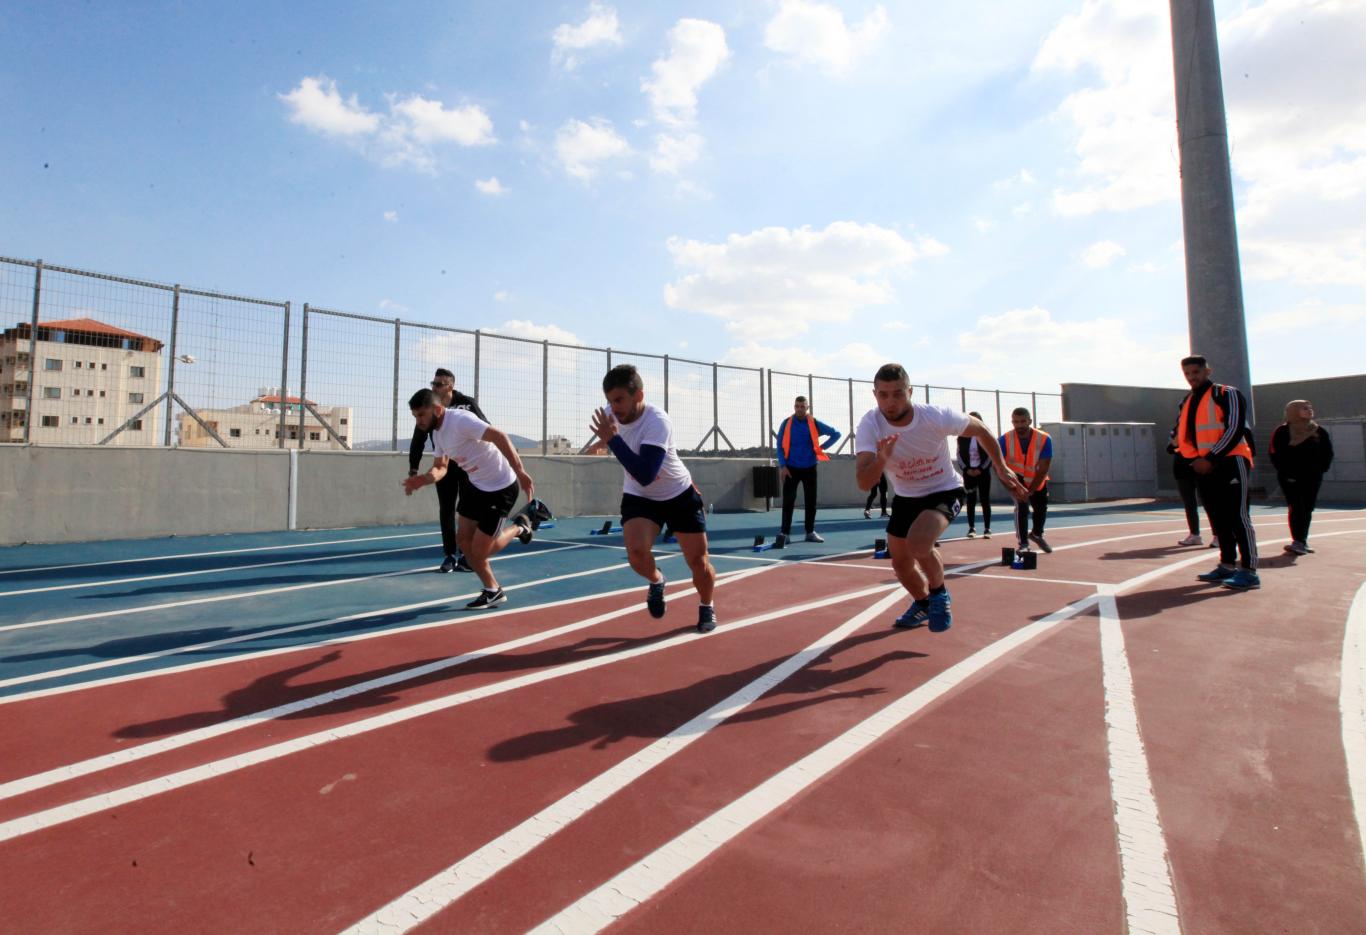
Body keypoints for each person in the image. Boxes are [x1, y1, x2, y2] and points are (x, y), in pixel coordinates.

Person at [855, 363, 1027, 632]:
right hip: (905, 496)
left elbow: (980, 429)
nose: (890, 401)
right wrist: (882, 459)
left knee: (920, 543)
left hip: (943, 489)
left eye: (898, 393)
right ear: (875, 394)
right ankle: (922, 602)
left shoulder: (934, 416)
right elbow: (864, 482)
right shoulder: (870, 424)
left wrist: (1002, 468)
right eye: (883, 394)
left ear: (910, 392)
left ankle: (939, 595)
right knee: (901, 564)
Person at [589, 364, 719, 633]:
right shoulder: (611, 414)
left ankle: (706, 605)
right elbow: (639, 479)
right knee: (636, 554)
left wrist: (611, 441)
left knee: (698, 563)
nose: (614, 408)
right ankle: (657, 580)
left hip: (677, 494)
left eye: (619, 400)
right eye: (610, 401)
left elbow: (646, 472)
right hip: (640, 496)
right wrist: (601, 444)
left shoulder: (657, 421)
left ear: (638, 395)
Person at [402, 388, 535, 609]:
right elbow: (441, 467)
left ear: (437, 409)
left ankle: (520, 527)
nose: (418, 421)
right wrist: (424, 479)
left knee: (480, 551)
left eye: (421, 415)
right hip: (475, 486)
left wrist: (520, 471)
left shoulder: (460, 420)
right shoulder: (437, 434)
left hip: (500, 486)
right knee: (464, 542)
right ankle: (493, 591)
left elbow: (499, 436)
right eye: (415, 416)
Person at [1174, 355, 1259, 590]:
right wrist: (1192, 459)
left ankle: (1249, 571)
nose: (1192, 377)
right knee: (1218, 517)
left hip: (1230, 461)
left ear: (1207, 371)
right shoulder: (1188, 401)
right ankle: (1227, 564)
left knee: (1238, 516)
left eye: (1196, 372)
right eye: (1188, 374)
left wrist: (1211, 458)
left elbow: (1235, 427)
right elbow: (1184, 434)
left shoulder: (1226, 393)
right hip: (1202, 466)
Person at [408, 368, 488, 573]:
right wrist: (413, 468)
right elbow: (419, 439)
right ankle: (450, 555)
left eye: (438, 384)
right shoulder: (430, 407)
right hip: (444, 465)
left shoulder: (466, 404)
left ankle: (467, 554)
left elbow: (486, 428)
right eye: (432, 383)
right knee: (446, 509)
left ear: (450, 386)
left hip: (468, 465)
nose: (433, 387)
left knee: (468, 510)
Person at [774, 396, 841, 545]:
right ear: (794, 407)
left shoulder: (815, 423)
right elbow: (779, 446)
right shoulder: (786, 424)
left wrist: (821, 448)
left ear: (807, 407)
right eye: (797, 406)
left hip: (810, 467)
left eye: (802, 407)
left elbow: (836, 434)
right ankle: (785, 533)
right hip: (790, 468)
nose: (799, 409)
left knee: (811, 502)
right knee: (788, 502)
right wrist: (783, 466)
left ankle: (809, 532)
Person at [1270, 399, 1334, 555]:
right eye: (1304, 408)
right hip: (1290, 477)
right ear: (1293, 411)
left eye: (1310, 408)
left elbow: (1328, 452)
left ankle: (1302, 540)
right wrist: (1287, 474)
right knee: (1297, 507)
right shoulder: (1282, 431)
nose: (1309, 410)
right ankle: (1297, 540)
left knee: (1307, 508)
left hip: (1312, 477)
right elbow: (1275, 454)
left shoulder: (1318, 430)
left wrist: (1321, 470)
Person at [1000, 408, 1053, 554]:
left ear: (1030, 421)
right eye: (1016, 422)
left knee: (1041, 508)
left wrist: (1030, 491)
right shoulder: (1004, 440)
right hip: (1016, 479)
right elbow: (998, 466)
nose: (1019, 425)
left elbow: (1043, 468)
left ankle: (1037, 534)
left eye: (1023, 421)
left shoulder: (1044, 439)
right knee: (1022, 507)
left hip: (1037, 478)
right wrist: (1012, 489)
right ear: (1012, 422)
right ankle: (1023, 543)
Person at [1167, 428, 1211, 547]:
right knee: (1189, 504)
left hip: (1199, 467)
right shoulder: (1176, 429)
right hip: (1182, 470)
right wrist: (1175, 444)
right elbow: (1171, 449)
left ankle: (1217, 535)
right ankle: (1194, 535)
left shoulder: (1197, 425)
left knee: (1208, 502)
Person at [957, 411, 993, 538]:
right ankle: (971, 528)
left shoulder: (986, 435)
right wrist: (967, 469)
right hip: (969, 473)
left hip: (983, 473)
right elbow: (959, 455)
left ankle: (987, 528)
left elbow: (990, 453)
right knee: (971, 500)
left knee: (985, 500)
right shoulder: (962, 436)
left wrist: (981, 469)